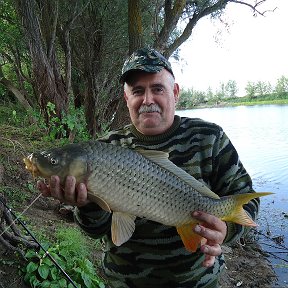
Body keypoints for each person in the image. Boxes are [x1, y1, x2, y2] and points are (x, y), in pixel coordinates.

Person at [38, 47, 259, 288]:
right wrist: (86, 206)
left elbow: (247, 201)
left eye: (157, 89)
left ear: (175, 92)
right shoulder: (107, 147)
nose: (147, 100)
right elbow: (95, 231)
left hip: (197, 282)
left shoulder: (209, 138)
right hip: (124, 282)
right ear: (126, 98)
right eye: (138, 91)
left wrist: (225, 230)